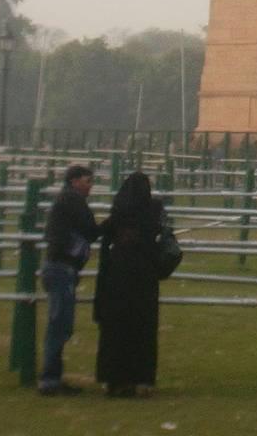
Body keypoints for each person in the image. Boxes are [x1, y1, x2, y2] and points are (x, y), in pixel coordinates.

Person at [94, 170, 168, 398]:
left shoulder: (119, 212)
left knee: (116, 330)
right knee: (142, 330)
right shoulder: (153, 210)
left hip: (117, 277)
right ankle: (141, 379)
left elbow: (102, 234)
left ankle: (113, 380)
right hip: (144, 279)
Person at [39, 164, 99, 396]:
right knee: (59, 325)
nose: (90, 186)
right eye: (87, 181)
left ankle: (52, 377)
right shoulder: (73, 200)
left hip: (58, 267)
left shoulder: (65, 200)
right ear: (74, 181)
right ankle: (50, 380)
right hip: (62, 269)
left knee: (60, 324)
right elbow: (91, 230)